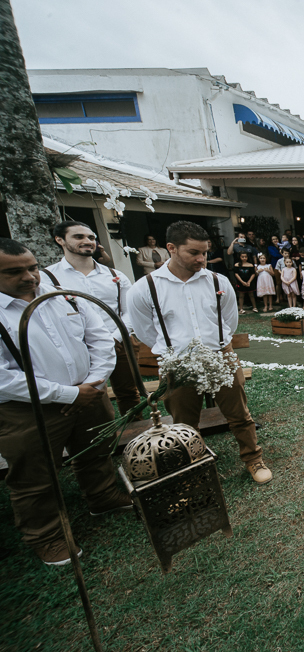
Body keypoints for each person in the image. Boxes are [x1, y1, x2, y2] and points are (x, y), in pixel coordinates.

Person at [0, 238, 132, 565]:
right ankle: (46, 535)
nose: (29, 276)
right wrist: (69, 394)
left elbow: (100, 338)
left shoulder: (62, 296)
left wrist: (93, 383)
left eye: (32, 268)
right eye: (13, 272)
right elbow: (3, 377)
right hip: (28, 409)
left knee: (96, 449)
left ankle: (102, 495)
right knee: (35, 474)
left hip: (89, 392)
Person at [127, 221, 273, 484]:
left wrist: (219, 344)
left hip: (221, 357)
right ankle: (193, 466)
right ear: (171, 248)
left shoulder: (218, 281)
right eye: (193, 252)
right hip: (178, 364)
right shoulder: (145, 288)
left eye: (204, 252)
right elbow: (145, 331)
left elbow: (229, 321)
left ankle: (253, 458)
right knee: (183, 424)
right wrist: (176, 351)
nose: (202, 259)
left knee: (240, 414)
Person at [46, 221, 140, 415]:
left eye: (91, 237)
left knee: (129, 392)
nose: (88, 241)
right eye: (78, 237)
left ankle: (136, 435)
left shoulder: (114, 275)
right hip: (79, 346)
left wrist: (115, 337)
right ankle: (100, 436)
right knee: (92, 394)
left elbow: (130, 310)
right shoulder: (48, 278)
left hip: (119, 341)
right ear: (60, 240)